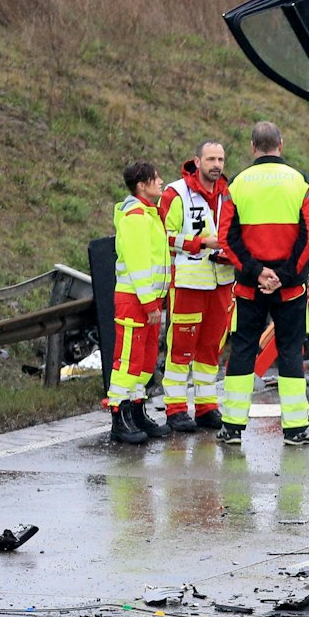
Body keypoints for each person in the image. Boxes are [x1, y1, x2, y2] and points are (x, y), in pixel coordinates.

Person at [216, 121, 309, 446]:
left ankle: (232, 427)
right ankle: (295, 429)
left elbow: (226, 238)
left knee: (244, 349)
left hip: (249, 288)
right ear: (281, 143)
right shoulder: (300, 182)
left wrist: (256, 272)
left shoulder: (236, 184)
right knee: (290, 350)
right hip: (290, 289)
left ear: (252, 147)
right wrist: (284, 275)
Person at [157, 141, 235, 434]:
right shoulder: (176, 193)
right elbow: (165, 236)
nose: (216, 164)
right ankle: (175, 409)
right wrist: (201, 243)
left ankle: (206, 406)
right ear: (197, 161)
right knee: (181, 347)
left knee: (211, 348)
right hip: (189, 281)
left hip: (222, 280)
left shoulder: (228, 194)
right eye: (211, 159)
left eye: (221, 159)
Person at [109, 160, 171, 445]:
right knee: (128, 362)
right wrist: (150, 304)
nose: (161, 182)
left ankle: (136, 412)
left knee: (145, 362)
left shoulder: (149, 214)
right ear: (142, 185)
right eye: (155, 179)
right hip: (135, 301)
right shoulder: (136, 216)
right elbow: (138, 265)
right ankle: (119, 419)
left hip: (148, 300)